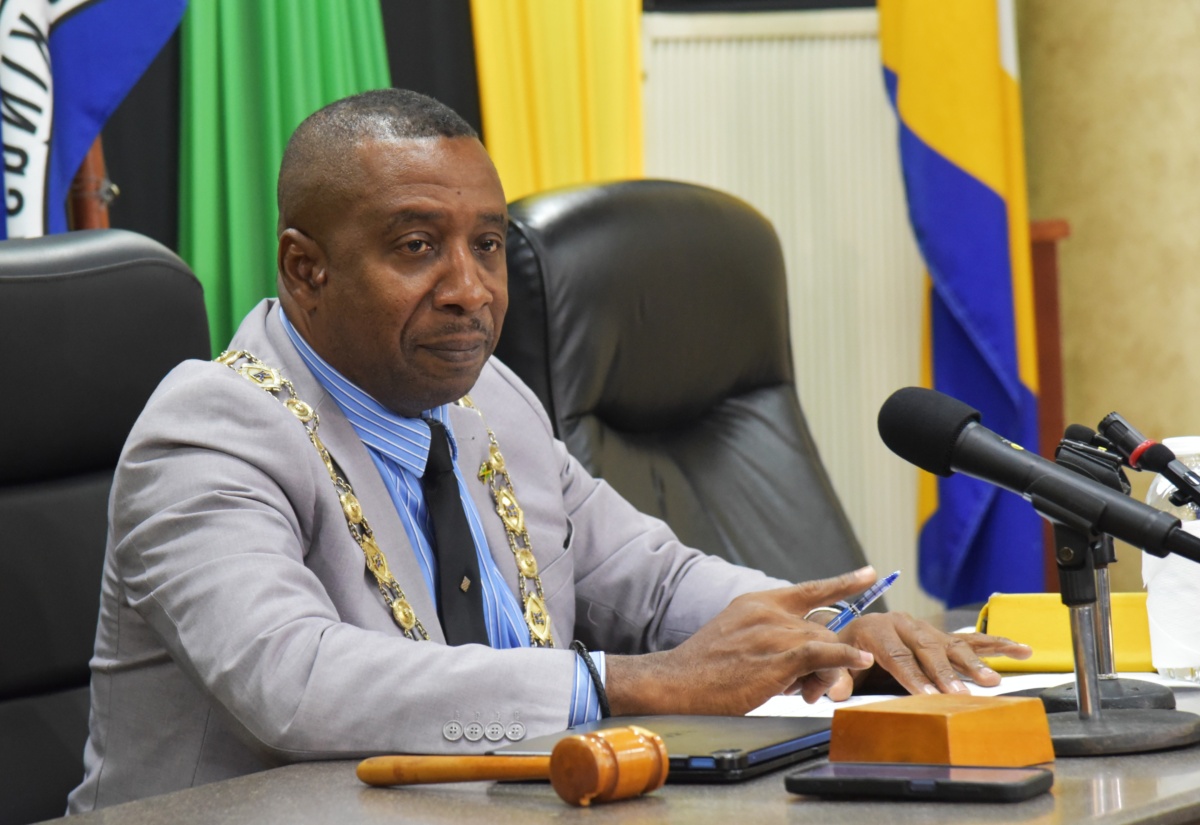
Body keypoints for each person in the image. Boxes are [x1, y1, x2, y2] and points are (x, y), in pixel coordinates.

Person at [68, 89, 1030, 813]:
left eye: (486, 245)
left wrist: (823, 634)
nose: (470, 289)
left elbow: (650, 576)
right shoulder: (210, 430)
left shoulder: (489, 399)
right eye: (416, 246)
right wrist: (628, 682)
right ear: (305, 268)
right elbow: (296, 681)